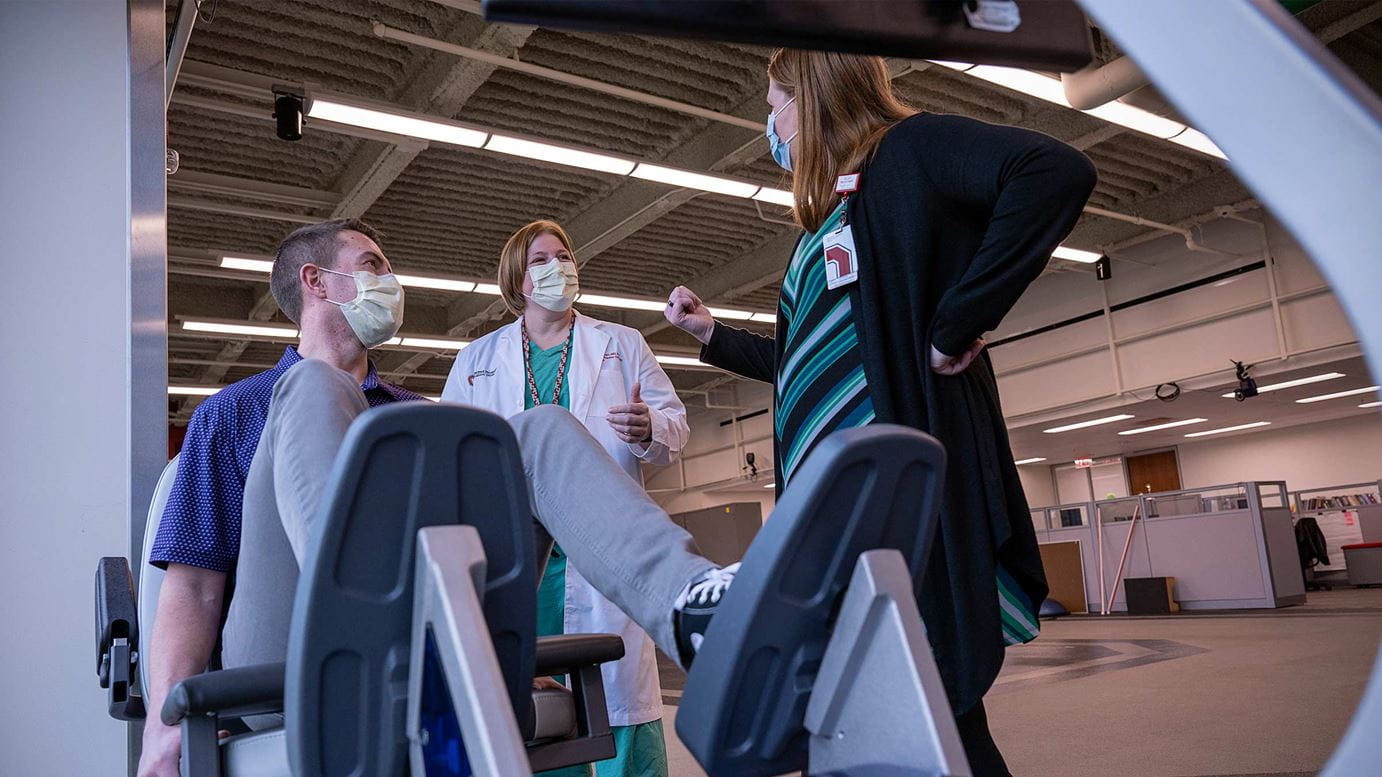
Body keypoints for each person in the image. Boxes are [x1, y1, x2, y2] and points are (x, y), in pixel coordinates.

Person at [664, 49, 1097, 776]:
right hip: (839, 504)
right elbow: (802, 360)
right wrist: (711, 335)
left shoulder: (907, 153)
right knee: (885, 700)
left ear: (810, 97)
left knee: (932, 696)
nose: (770, 123)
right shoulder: (831, 215)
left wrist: (958, 320)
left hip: (892, 494)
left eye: (774, 103)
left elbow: (1055, 171)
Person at [139, 218, 428, 777]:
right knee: (315, 382)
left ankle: (656, 604)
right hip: (281, 664)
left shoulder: (415, 413)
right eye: (374, 265)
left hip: (416, 650)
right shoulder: (231, 414)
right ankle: (379, 633)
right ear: (317, 282)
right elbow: (195, 585)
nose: (392, 281)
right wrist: (162, 724)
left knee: (541, 431)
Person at [442, 220, 689, 777]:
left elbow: (675, 427)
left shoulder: (623, 344)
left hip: (602, 554)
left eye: (565, 254)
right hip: (524, 564)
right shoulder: (475, 360)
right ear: (519, 280)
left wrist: (649, 427)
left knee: (623, 713)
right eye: (542, 260)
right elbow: (451, 459)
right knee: (541, 725)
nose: (560, 267)